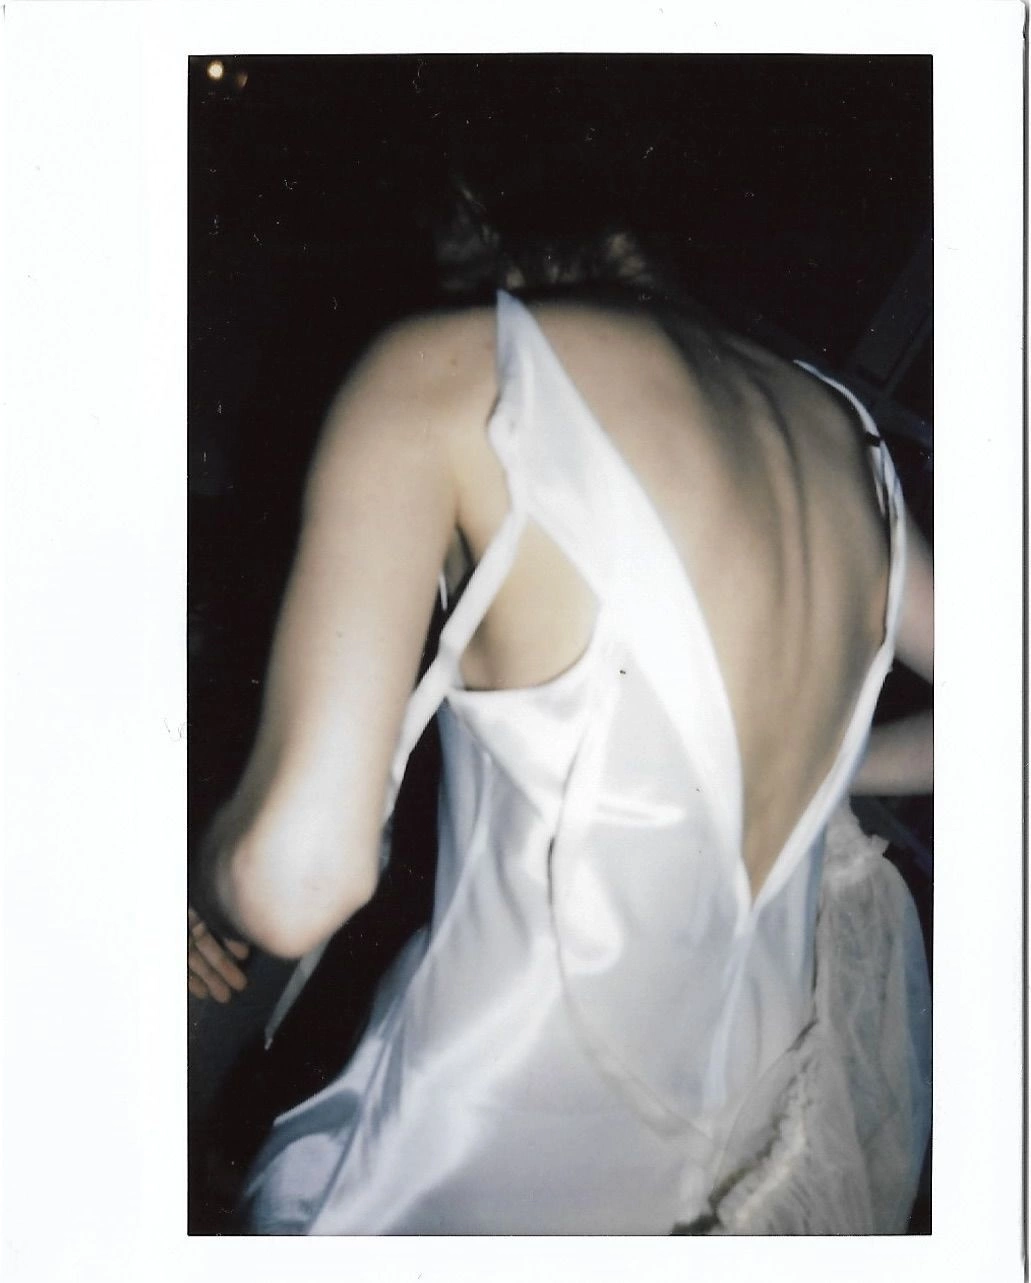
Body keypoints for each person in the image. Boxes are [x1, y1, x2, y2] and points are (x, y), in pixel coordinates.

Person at [188, 202, 932, 1234]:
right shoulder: (839, 428)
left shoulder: (456, 371)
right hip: (753, 1147)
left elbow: (295, 881)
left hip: (493, 1150)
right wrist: (825, 762)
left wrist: (191, 884)